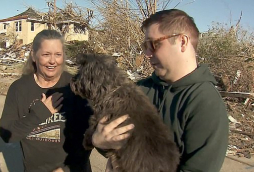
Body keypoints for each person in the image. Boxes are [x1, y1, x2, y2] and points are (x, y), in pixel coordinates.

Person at [91, 9, 229, 172]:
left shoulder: (205, 102)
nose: (147, 53)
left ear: (182, 42)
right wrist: (100, 142)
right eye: (145, 46)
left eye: (153, 44)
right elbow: (113, 142)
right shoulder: (140, 89)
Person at [0, 30, 93, 172]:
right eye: (46, 54)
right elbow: (7, 134)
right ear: (34, 56)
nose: (52, 61)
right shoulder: (19, 89)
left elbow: (89, 136)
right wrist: (40, 113)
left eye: (58, 54)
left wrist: (66, 168)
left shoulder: (75, 87)